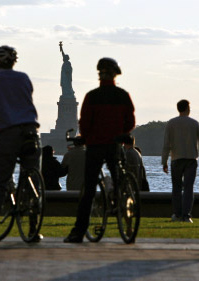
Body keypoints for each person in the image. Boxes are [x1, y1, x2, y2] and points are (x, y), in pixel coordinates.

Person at [64, 57, 135, 243]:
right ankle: (119, 196)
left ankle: (78, 232)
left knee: (88, 190)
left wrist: (85, 138)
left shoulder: (92, 96)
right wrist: (122, 132)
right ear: (115, 75)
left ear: (99, 75)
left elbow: (85, 123)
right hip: (114, 144)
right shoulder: (123, 95)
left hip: (95, 146)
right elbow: (130, 121)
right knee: (118, 174)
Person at [0, 45, 41, 243]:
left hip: (9, 134)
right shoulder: (24, 78)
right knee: (32, 179)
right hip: (31, 132)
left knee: (0, 182)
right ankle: (32, 228)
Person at [162, 99, 199, 223]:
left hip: (176, 159)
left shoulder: (171, 123)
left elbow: (166, 144)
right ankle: (186, 216)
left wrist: (164, 161)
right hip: (191, 159)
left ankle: (177, 214)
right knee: (189, 188)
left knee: (176, 188)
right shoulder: (194, 123)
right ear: (187, 108)